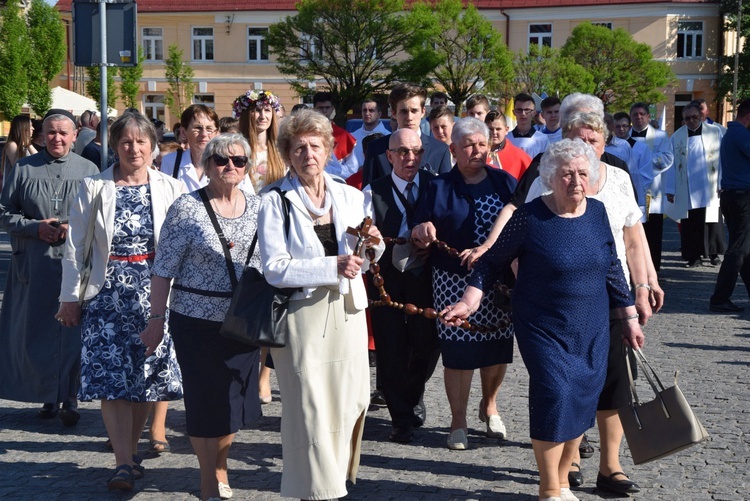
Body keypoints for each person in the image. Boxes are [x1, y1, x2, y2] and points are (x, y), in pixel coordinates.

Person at [442, 138, 645, 501]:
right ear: (551, 177)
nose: (576, 182)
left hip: (593, 324)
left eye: (583, 174)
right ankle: (549, 486)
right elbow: (491, 262)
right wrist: (470, 301)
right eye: (567, 174)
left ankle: (565, 480)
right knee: (555, 393)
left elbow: (613, 268)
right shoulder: (530, 216)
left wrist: (629, 316)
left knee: (582, 397)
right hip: (542, 325)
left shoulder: (597, 213)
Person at [521, 112, 658, 497]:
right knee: (563, 388)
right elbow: (515, 243)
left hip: (608, 301)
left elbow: (630, 243)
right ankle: (561, 474)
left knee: (606, 384)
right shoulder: (541, 192)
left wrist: (643, 287)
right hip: (555, 309)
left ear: (602, 145)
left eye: (592, 141)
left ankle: (607, 466)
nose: (585, 148)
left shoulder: (614, 184)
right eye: (577, 140)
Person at [257, 109, 384, 500]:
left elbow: (368, 251)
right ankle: (317, 489)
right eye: (299, 148)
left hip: (348, 311)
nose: (308, 154)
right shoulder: (274, 199)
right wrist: (333, 265)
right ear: (287, 153)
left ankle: (338, 479)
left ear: (329, 149)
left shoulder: (349, 194)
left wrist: (373, 246)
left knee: (353, 399)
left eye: (315, 145)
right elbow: (275, 269)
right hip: (303, 317)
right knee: (310, 408)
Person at [56, 111, 183, 491]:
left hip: (155, 292)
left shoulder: (171, 188)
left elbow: (178, 247)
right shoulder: (94, 186)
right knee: (111, 379)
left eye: (141, 141)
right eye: (125, 141)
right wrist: (69, 298)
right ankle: (123, 462)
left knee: (145, 378)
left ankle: (132, 449)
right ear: (114, 146)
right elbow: (75, 247)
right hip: (106, 292)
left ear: (153, 146)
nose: (134, 148)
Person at [141, 133, 262, 501]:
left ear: (247, 167)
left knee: (233, 404)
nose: (230, 166)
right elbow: (162, 270)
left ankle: (221, 462)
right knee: (204, 401)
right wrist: (156, 320)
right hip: (195, 321)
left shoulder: (261, 208)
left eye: (238, 161)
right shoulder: (186, 208)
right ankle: (208, 476)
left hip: (244, 321)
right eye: (221, 160)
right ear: (207, 165)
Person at [411, 118, 517, 450]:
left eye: (482, 144)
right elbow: (418, 225)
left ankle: (490, 405)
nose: (476, 151)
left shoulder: (505, 183)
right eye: (468, 145)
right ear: (453, 149)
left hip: (498, 281)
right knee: (457, 352)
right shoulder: (437, 186)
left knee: (496, 347)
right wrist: (422, 230)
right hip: (451, 280)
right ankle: (458, 420)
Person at [1, 107, 98, 424]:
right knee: (39, 331)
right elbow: (4, 213)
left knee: (73, 331)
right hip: (33, 265)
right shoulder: (25, 169)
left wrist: (74, 228)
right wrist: (33, 227)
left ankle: (70, 397)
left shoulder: (88, 169)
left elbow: (100, 216)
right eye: (51, 132)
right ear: (42, 136)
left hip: (74, 265)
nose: (57, 138)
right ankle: (46, 394)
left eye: (63, 132)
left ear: (74, 136)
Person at [363, 128, 440, 444]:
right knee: (391, 346)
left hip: (427, 279)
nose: (410, 158)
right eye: (403, 152)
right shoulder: (372, 192)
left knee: (428, 342)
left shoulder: (436, 187)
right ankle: (400, 417)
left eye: (416, 152)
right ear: (389, 156)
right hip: (386, 281)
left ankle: (413, 393)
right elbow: (362, 236)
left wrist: (433, 245)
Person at [665, 103, 725, 267]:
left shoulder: (715, 132)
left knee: (711, 221)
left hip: (710, 186)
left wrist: (722, 181)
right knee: (691, 224)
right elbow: (670, 164)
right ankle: (694, 256)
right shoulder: (677, 137)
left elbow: (723, 159)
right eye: (687, 118)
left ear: (701, 116)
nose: (691, 121)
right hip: (688, 188)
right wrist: (670, 188)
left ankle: (713, 254)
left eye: (694, 117)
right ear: (683, 119)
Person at [363, 83, 453, 186]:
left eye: (414, 111)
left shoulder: (440, 150)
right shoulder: (376, 149)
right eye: (403, 111)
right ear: (393, 113)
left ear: (423, 112)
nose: (409, 117)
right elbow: (368, 195)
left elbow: (446, 194)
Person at [710, 98, 750, 313]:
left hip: (734, 195)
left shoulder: (733, 133)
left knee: (746, 249)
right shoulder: (740, 134)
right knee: (738, 250)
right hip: (742, 198)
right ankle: (719, 298)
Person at [630, 102, 674, 271]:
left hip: (653, 193)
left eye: (642, 114)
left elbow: (668, 158)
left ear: (648, 116)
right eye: (635, 115)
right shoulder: (626, 139)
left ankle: (654, 270)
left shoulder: (660, 136)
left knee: (653, 236)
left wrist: (646, 163)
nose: (639, 117)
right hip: (633, 194)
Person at [234, 89, 287, 192]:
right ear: (247, 115)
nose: (263, 116)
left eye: (267, 110)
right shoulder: (238, 150)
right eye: (257, 110)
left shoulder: (280, 150)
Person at [160, 105, 221, 192]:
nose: (204, 134)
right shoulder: (171, 162)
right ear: (183, 132)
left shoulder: (231, 162)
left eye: (209, 128)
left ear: (216, 133)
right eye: (197, 128)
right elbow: (165, 199)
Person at [611, 112, 653, 218]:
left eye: (624, 126)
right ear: (613, 127)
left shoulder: (641, 148)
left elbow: (646, 174)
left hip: (635, 192)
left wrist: (634, 188)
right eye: (618, 126)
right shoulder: (609, 148)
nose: (621, 129)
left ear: (630, 127)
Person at [313, 91, 358, 178]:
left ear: (332, 108)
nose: (324, 111)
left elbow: (352, 167)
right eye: (320, 108)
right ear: (314, 109)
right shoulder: (306, 133)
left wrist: (330, 171)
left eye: (327, 107)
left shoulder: (343, 135)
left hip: (337, 183)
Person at [485, 110, 531, 181]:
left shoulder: (519, 156)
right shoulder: (477, 154)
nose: (494, 132)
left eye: (498, 129)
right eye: (490, 129)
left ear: (506, 130)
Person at [507, 93, 550, 159]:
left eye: (527, 110)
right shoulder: (506, 139)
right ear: (514, 112)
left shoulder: (543, 139)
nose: (523, 114)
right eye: (519, 110)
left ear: (534, 113)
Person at [351, 98, 389, 169]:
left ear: (379, 114)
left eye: (371, 110)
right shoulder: (352, 137)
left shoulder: (388, 137)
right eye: (364, 110)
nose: (367, 113)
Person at [1, 115, 37, 189]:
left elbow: (39, 159)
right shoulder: (12, 145)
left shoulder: (26, 145)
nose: (33, 128)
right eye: (30, 126)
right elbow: (19, 166)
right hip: (15, 189)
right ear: (23, 128)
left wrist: (29, 145)